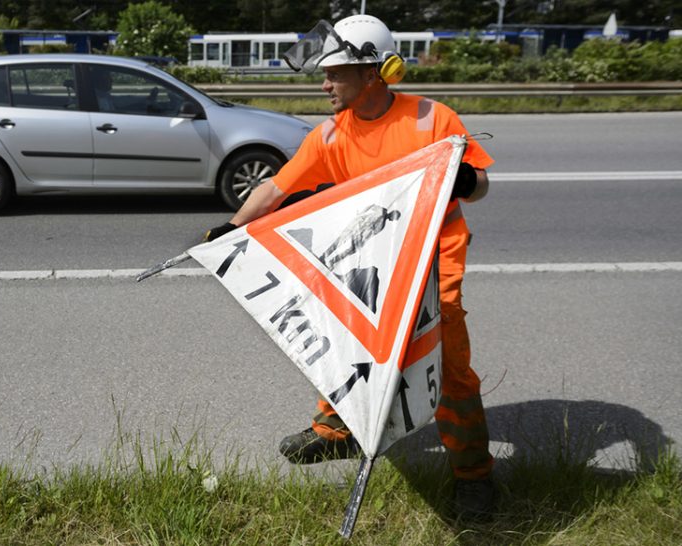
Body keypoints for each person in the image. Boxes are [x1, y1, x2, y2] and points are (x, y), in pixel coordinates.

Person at [203, 14, 496, 521]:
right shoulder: (330, 136)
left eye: (335, 73)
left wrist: (466, 182)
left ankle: (475, 476)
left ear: (373, 73)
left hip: (432, 265)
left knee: (446, 370)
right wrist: (231, 228)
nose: (325, 84)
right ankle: (337, 429)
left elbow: (484, 185)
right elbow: (276, 188)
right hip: (367, 262)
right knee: (347, 338)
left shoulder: (431, 118)